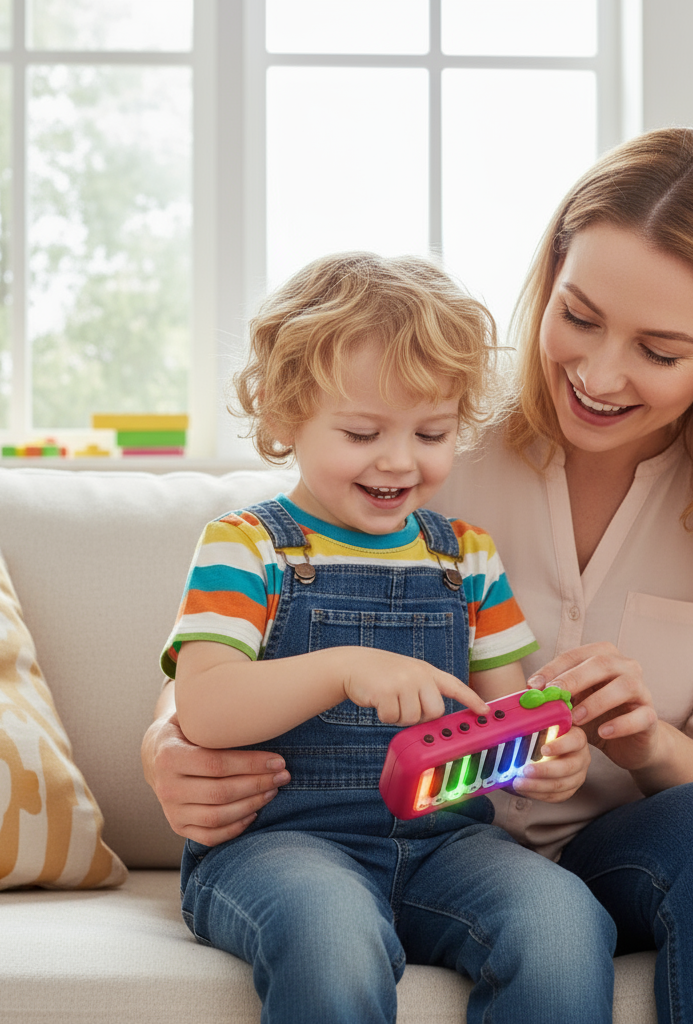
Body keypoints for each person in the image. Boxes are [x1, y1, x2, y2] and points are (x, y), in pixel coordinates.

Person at [143, 128, 693, 1023]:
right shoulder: (433, 440)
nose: (596, 375)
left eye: (658, 351)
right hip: (381, 836)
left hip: (590, 851)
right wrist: (167, 740)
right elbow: (259, 594)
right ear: (551, 273)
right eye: (579, 317)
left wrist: (643, 743)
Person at [160, 251, 611, 1024]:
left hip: (448, 847)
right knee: (331, 936)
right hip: (282, 846)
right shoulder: (247, 548)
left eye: (432, 432)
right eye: (364, 431)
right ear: (282, 415)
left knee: (564, 924)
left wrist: (545, 752)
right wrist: (340, 667)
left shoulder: (466, 554)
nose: (400, 460)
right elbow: (203, 708)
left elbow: (508, 717)